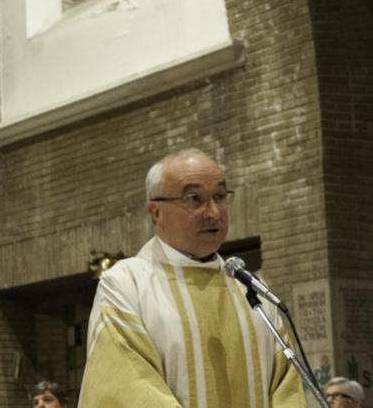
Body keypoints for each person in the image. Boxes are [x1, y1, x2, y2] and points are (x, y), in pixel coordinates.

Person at [79, 149, 302, 406]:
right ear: (155, 212)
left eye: (219, 196)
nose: (214, 212)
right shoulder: (127, 284)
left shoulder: (250, 290)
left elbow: (287, 387)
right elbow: (126, 387)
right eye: (195, 199)